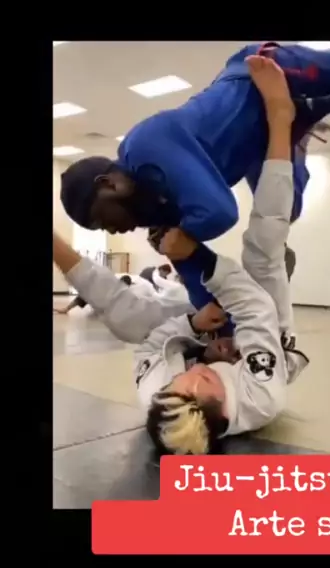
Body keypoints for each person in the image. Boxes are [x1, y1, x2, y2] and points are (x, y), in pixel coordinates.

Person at [53, 55, 308, 455]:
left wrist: (194, 329)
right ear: (221, 408)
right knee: (264, 250)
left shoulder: (156, 395)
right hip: (264, 328)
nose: (199, 375)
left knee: (131, 322)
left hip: (200, 328)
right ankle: (283, 123)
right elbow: (256, 310)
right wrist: (207, 265)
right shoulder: (259, 398)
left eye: (181, 382)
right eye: (205, 383)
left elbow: (150, 347)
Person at [59, 41, 330, 315]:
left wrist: (183, 237)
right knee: (287, 210)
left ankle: (292, 117)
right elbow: (196, 277)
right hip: (259, 139)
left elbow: (220, 212)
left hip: (267, 76)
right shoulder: (153, 214)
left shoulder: (146, 145)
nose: (113, 229)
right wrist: (212, 318)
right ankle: (292, 128)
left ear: (108, 184)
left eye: (102, 219)